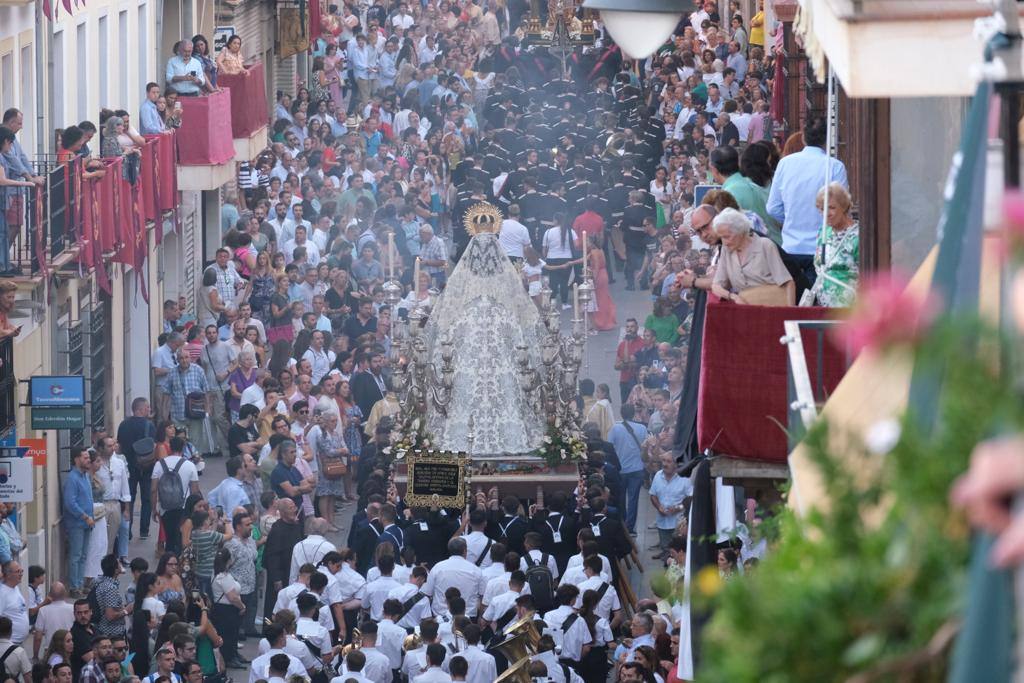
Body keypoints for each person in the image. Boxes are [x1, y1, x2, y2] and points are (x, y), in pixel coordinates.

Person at [766, 116, 849, 285]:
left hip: (791, 246)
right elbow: (842, 208)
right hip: (823, 247)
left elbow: (773, 207)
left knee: (794, 304)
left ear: (803, 137)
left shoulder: (785, 163)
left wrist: (791, 218)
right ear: (827, 139)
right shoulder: (834, 166)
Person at [710, 208, 795, 306]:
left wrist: (790, 312)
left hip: (772, 307)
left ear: (741, 232)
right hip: (745, 310)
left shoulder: (765, 245)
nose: (724, 242)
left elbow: (788, 283)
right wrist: (733, 297)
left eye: (727, 237)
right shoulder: (726, 249)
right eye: (721, 237)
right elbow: (716, 285)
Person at [809, 182, 859, 307]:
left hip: (848, 308)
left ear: (844, 206)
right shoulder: (823, 232)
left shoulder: (858, 236)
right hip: (822, 306)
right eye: (821, 209)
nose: (826, 213)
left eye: (831, 207)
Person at [149, 437, 201, 554]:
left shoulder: (159, 464)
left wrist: (154, 509)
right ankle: (180, 564)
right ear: (183, 448)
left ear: (170, 448)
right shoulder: (189, 465)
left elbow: (153, 489)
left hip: (165, 507)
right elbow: (195, 491)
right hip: (184, 508)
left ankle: (168, 562)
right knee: (181, 538)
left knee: (169, 538)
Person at [609, 405, 648, 536]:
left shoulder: (615, 428)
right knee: (633, 499)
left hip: (621, 469)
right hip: (637, 468)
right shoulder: (642, 428)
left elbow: (610, 446)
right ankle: (630, 527)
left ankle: (622, 524)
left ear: (621, 413)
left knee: (620, 498)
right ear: (633, 413)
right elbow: (646, 446)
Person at [64, 448, 96, 595]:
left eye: (88, 457)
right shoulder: (72, 478)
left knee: (83, 555)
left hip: (87, 523)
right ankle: (73, 586)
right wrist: (85, 516)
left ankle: (80, 584)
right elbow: (70, 503)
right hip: (77, 523)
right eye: (85, 458)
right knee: (76, 555)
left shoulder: (85, 476)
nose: (88, 460)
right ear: (77, 460)